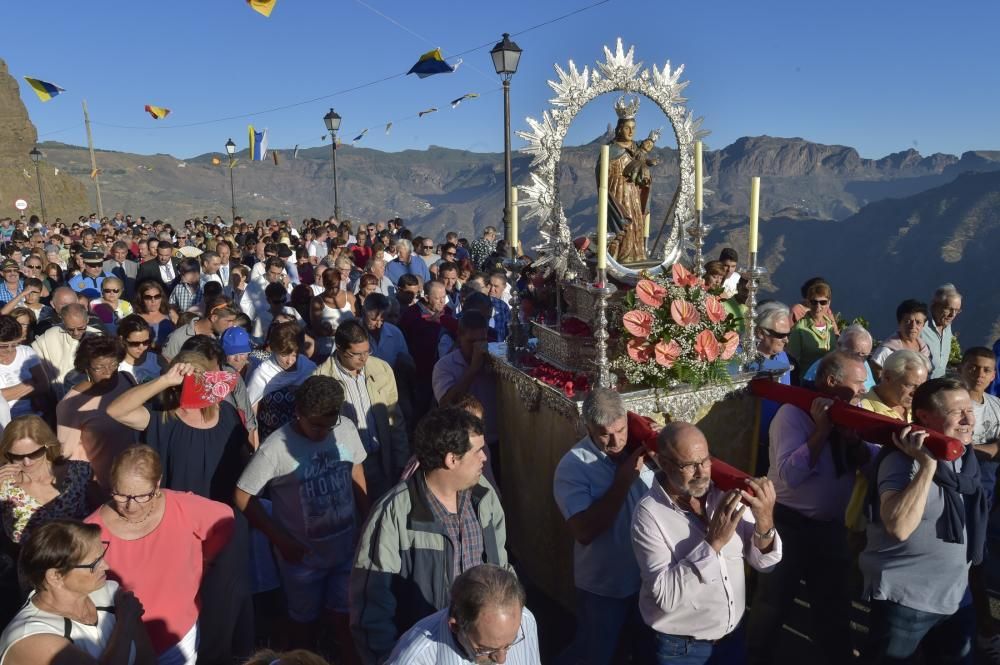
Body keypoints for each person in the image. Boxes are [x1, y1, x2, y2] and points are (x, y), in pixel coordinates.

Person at [350, 407, 510, 665]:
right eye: (477, 451)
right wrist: (391, 659)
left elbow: (502, 572)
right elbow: (372, 608)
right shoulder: (394, 514)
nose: (485, 458)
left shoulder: (484, 497)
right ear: (452, 459)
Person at [747, 351, 878, 665]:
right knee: (772, 604)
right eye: (858, 382)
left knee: (833, 604)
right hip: (789, 524)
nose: (864, 390)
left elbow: (872, 467)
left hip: (831, 527)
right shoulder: (792, 415)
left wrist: (854, 442)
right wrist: (821, 431)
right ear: (831, 382)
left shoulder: (852, 415)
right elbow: (791, 476)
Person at [236, 377, 369, 662]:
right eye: (315, 425)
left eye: (328, 424)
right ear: (298, 412)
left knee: (345, 619)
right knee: (302, 624)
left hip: (345, 550)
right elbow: (243, 496)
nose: (322, 432)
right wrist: (281, 540)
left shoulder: (344, 430)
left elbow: (355, 471)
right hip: (302, 560)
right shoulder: (275, 449)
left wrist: (367, 518)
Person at [860, 378, 987, 663]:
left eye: (970, 409)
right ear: (924, 417)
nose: (968, 419)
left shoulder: (965, 458)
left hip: (955, 595)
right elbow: (898, 526)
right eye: (957, 412)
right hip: (906, 601)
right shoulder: (901, 460)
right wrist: (927, 466)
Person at [632, 422, 781, 665]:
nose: (702, 473)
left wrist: (765, 519)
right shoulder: (648, 515)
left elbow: (765, 563)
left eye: (706, 460)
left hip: (731, 640)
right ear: (664, 463)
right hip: (681, 650)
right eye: (690, 465)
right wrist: (712, 543)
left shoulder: (725, 493)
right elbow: (666, 597)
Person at [86, 446, 235, 665]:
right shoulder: (92, 529)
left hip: (177, 636)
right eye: (120, 494)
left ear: (157, 484)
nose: (130, 505)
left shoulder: (183, 507)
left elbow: (225, 520)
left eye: (142, 496)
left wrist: (206, 559)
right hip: (123, 642)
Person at [552, 388, 655, 665]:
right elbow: (584, 531)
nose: (616, 440)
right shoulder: (572, 467)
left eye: (621, 430)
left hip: (646, 580)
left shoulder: (641, 449)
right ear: (587, 428)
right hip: (604, 587)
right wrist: (622, 482)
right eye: (604, 434)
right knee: (595, 655)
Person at [0, 520, 154, 665]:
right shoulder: (32, 638)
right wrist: (126, 622)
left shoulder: (109, 591)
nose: (106, 566)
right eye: (95, 563)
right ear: (55, 576)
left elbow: (147, 660)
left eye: (102, 556)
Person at [313, 320, 409, 500]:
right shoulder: (321, 378)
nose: (363, 358)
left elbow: (395, 418)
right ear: (340, 349)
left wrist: (401, 460)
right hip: (345, 467)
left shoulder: (381, 369)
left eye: (367, 351)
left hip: (382, 461)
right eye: (356, 354)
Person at [386, 564, 541, 665]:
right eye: (485, 649)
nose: (502, 659)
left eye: (509, 645)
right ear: (455, 626)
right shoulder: (414, 659)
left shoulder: (525, 622)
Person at [958, 348, 1000, 660]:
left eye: (987, 370)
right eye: (974, 367)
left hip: (987, 486)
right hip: (958, 484)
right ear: (963, 368)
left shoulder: (997, 406)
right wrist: (986, 450)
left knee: (977, 553)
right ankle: (982, 626)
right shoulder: (952, 400)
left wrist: (970, 449)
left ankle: (980, 627)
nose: (980, 374)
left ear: (994, 375)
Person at [57, 335, 138, 491]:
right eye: (99, 367)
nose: (108, 373)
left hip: (134, 472)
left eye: (113, 364)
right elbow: (68, 454)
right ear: (86, 367)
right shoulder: (70, 404)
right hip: (101, 483)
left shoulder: (127, 380)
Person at [0, 416, 93, 545]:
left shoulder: (79, 472)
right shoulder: (4, 483)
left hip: (81, 557)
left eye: (34, 454)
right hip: (27, 561)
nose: (27, 462)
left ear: (48, 445)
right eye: (16, 456)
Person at [433, 312, 498, 474]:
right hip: (465, 446)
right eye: (472, 342)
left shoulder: (494, 360)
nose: (478, 347)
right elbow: (446, 404)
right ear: (459, 337)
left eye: (481, 341)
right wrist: (473, 369)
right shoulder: (445, 366)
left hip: (495, 438)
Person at [246, 321, 318, 443]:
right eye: (284, 355)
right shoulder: (262, 374)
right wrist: (255, 448)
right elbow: (250, 416)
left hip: (303, 439)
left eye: (294, 355)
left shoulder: (308, 368)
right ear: (274, 349)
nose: (290, 361)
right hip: (271, 440)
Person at [599, 98, 652, 263]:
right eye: (627, 128)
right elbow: (601, 176)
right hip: (617, 194)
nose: (631, 132)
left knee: (636, 223)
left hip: (634, 194)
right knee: (624, 224)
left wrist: (646, 178)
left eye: (633, 128)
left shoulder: (637, 150)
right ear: (619, 129)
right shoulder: (611, 150)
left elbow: (643, 173)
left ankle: (636, 255)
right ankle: (621, 257)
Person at [786, 280, 839, 379]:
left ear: (829, 303)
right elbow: (792, 359)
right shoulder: (800, 329)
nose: (818, 306)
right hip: (808, 380)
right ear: (808, 302)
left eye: (823, 302)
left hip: (829, 379)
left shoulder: (830, 326)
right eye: (814, 302)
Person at [800, 323, 877, 390]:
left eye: (865, 355)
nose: (860, 360)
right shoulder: (819, 371)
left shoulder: (863, 362)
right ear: (838, 346)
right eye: (854, 355)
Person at [858, 349, 930, 421]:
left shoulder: (921, 407)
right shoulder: (862, 411)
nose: (916, 393)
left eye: (921, 386)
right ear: (887, 377)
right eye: (909, 385)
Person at [870, 299, 933, 380]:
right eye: (908, 321)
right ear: (899, 323)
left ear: (923, 324)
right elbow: (876, 377)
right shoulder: (887, 350)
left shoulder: (924, 349)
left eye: (918, 322)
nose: (913, 326)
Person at [0, 315, 48, 418]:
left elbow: (44, 385)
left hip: (34, 417)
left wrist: (6, 395)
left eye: (14, 344)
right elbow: (38, 384)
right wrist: (31, 384)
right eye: (3, 346)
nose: (9, 350)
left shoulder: (26, 352)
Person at [160, 301, 238, 361]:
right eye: (229, 321)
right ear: (214, 318)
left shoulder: (222, 338)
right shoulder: (178, 337)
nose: (232, 325)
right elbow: (165, 365)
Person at [922, 283, 962, 379]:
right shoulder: (920, 327)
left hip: (938, 387)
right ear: (934, 306)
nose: (953, 315)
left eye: (957, 310)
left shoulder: (947, 326)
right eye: (948, 309)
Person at [362, 293, 409, 370]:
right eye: (374, 320)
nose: (379, 325)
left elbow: (405, 361)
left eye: (382, 320)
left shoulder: (395, 333)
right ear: (363, 312)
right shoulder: (351, 332)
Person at [116, 314, 165, 385]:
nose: (142, 347)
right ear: (122, 340)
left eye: (146, 342)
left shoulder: (157, 359)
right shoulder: (116, 367)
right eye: (135, 343)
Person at [133, 280, 175, 351]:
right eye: (148, 297)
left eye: (157, 296)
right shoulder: (135, 318)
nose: (153, 300)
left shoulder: (170, 314)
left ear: (161, 297)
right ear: (141, 299)